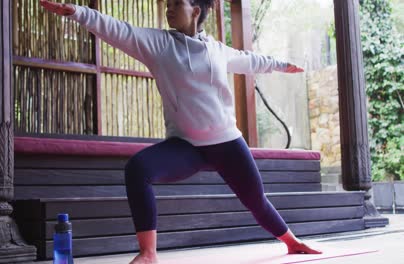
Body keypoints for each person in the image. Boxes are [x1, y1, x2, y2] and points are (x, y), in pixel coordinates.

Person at [40, 0, 323, 263]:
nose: (169, 8)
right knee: (137, 168)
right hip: (186, 146)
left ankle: (291, 241)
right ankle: (148, 253)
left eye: (178, 3)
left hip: (227, 142)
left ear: (196, 10)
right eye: (169, 3)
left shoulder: (216, 49)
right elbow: (117, 30)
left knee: (256, 201)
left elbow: (250, 60)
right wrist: (77, 12)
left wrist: (282, 65)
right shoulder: (158, 44)